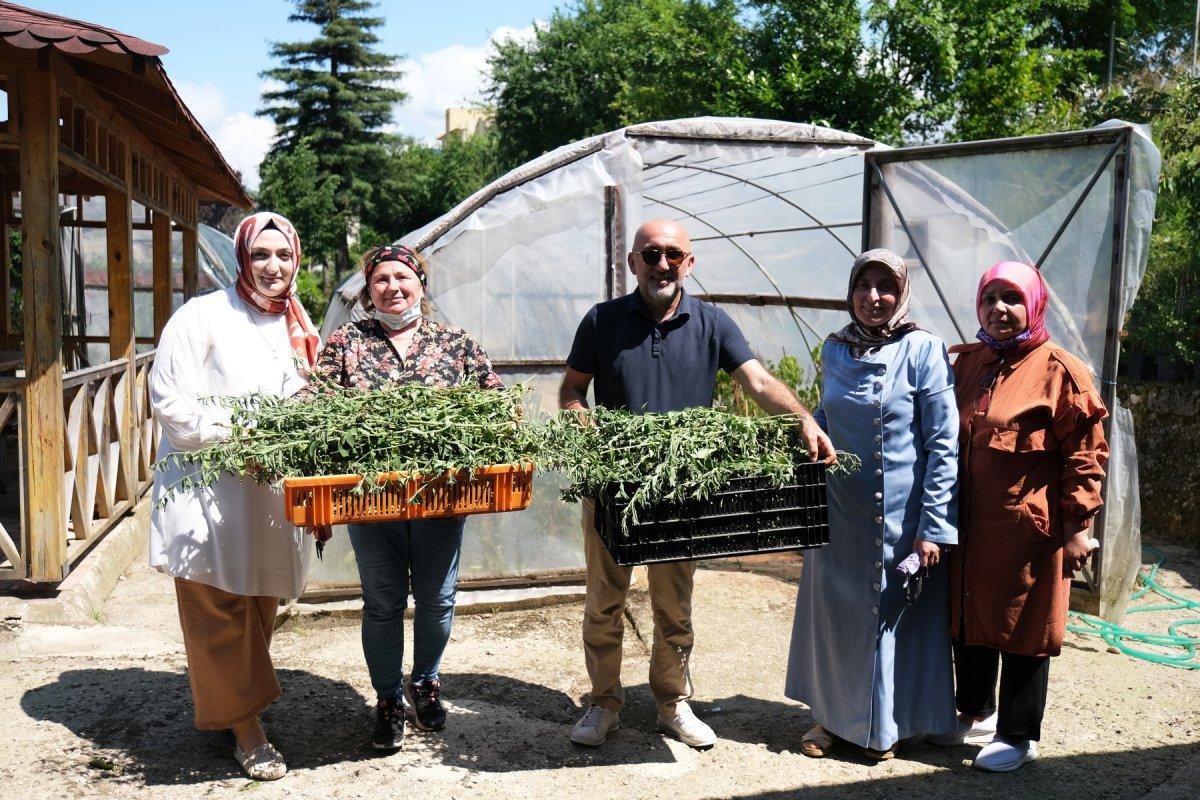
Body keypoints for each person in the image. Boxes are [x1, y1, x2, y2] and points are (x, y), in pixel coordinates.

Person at [559, 218, 836, 750]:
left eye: (673, 255)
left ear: (689, 263)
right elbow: (572, 390)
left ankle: (671, 703)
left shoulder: (712, 322)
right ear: (633, 262)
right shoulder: (601, 320)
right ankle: (604, 702)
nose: (661, 264)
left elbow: (757, 381)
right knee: (604, 602)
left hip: (680, 493)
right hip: (613, 488)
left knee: (675, 607)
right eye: (651, 254)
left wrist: (803, 418)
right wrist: (585, 426)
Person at [295, 244, 503, 751]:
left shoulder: (454, 342)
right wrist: (286, 423)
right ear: (369, 291)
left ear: (420, 285)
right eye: (381, 279)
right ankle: (387, 699)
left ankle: (425, 682)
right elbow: (315, 398)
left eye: (402, 277)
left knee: (437, 599)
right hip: (370, 502)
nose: (392, 287)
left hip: (441, 499)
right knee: (383, 602)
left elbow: (495, 399)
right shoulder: (348, 341)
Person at [150, 212, 320, 781]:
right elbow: (171, 403)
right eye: (260, 255)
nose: (273, 266)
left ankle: (234, 707)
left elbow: (305, 392)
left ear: (296, 259)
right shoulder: (201, 316)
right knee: (216, 605)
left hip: (267, 493)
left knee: (259, 600)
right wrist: (242, 435)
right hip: (206, 490)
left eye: (283, 255)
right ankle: (248, 732)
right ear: (242, 259)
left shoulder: (296, 323)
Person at [931, 261, 1108, 772]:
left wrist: (1078, 529)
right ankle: (975, 711)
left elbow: (1085, 457)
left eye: (1012, 298)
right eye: (990, 298)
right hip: (968, 525)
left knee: (1025, 625)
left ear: (1034, 304)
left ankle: (1018, 734)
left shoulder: (1060, 371)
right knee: (968, 613)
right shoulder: (967, 363)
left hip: (1027, 530)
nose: (999, 309)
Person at [785, 248, 959, 760]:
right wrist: (797, 434)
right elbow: (825, 415)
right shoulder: (835, 349)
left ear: (901, 293)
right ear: (851, 291)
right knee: (837, 618)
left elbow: (943, 442)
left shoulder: (923, 349)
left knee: (891, 619)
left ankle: (886, 729)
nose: (873, 297)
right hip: (839, 512)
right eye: (864, 285)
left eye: (886, 287)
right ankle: (831, 719)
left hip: (900, 518)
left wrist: (933, 526)